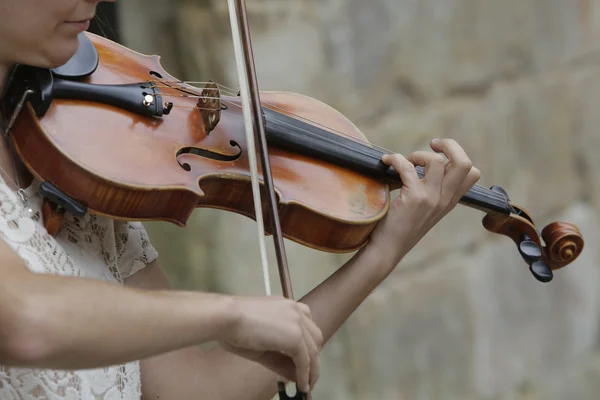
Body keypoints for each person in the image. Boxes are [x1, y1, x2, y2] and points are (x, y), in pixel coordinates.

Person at [0, 0, 481, 399]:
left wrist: (382, 254)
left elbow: (191, 387)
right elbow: (23, 321)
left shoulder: (81, 151)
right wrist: (225, 313)